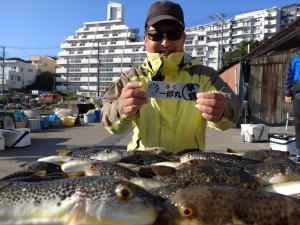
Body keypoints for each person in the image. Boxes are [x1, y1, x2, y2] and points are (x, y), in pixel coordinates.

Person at [101, 0, 241, 153]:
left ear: (183, 38)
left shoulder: (206, 76)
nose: (165, 42)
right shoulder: (131, 77)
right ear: (145, 39)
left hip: (188, 163)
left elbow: (234, 109)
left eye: (173, 34)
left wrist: (222, 110)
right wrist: (121, 107)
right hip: (142, 160)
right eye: (156, 35)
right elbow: (107, 118)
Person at [283, 48, 300, 161]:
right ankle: (299, 153)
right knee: (299, 124)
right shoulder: (295, 57)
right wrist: (287, 93)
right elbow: (288, 76)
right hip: (298, 95)